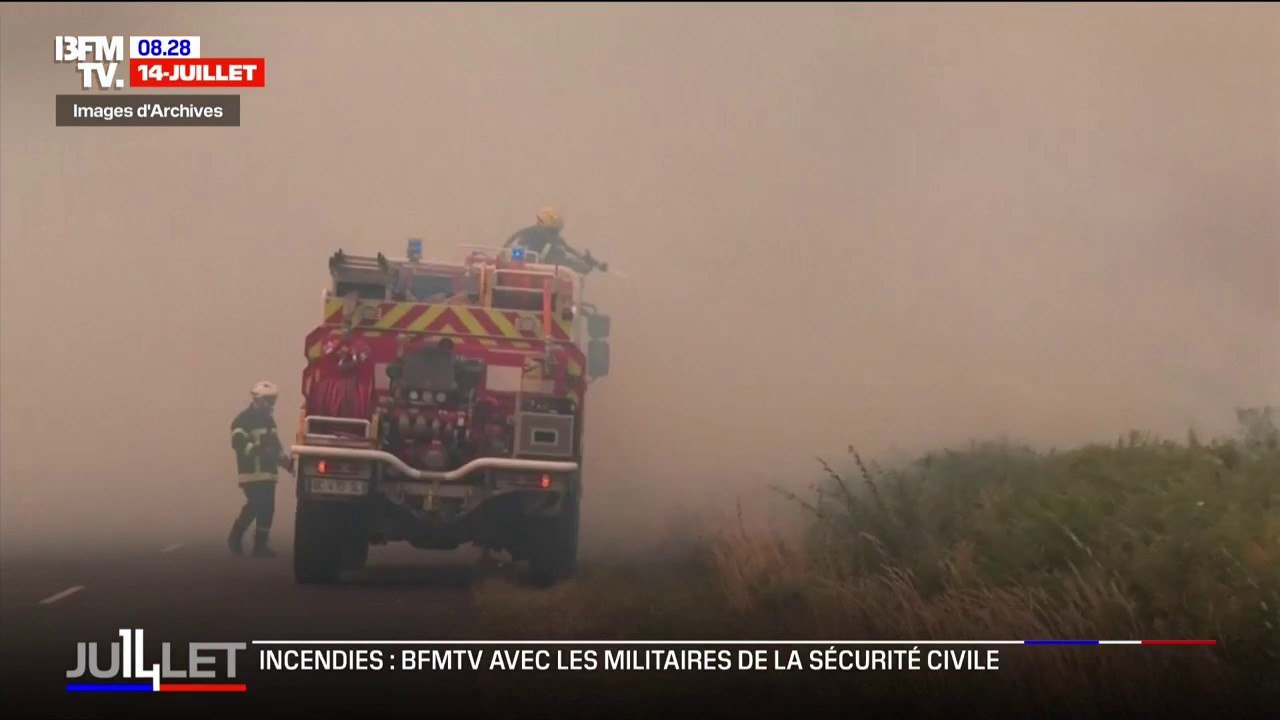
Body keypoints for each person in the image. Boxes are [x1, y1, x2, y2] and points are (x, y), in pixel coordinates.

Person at [228, 380, 292, 558]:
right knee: (256, 505)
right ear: (258, 399)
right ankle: (235, 537)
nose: (271, 404)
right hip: (251, 473)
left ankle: (260, 545)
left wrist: (287, 464)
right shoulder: (242, 420)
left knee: (268, 508)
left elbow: (275, 446)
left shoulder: (269, 421)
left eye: (273, 400)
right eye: (269, 400)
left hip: (268, 473)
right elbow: (238, 443)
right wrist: (257, 449)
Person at [503, 206, 601, 274]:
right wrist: (587, 264)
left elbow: (505, 255)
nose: (555, 235)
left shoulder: (521, 235)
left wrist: (585, 261)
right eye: (553, 232)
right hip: (536, 289)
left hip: (505, 284)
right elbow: (569, 260)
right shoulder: (552, 244)